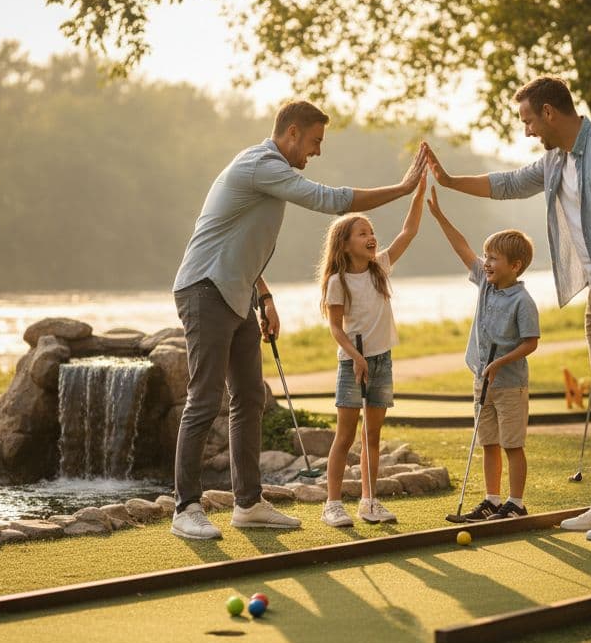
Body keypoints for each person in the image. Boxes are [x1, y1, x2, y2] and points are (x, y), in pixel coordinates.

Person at [426, 76, 591, 542]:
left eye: (528, 120)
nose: (527, 131)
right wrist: (450, 180)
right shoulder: (557, 159)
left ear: (549, 112)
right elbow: (508, 184)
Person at [170, 100, 427, 540]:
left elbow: (238, 242)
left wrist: (264, 295)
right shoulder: (261, 165)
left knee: (249, 397)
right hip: (205, 290)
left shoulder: (268, 175)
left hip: (237, 293)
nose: (317, 151)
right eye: (314, 141)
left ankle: (248, 504)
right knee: (205, 398)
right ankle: (186, 507)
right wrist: (402, 189)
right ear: (292, 132)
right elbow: (331, 200)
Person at [317, 171, 428, 527]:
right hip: (353, 363)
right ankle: (333, 504)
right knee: (346, 435)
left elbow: (408, 232)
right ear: (344, 244)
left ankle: (369, 502)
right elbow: (336, 327)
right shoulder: (337, 282)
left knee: (372, 435)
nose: (371, 237)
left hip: (381, 360)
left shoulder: (379, 267)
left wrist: (418, 193)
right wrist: (356, 357)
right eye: (362, 233)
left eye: (371, 231)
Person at [427, 187, 540, 521]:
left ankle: (516, 503)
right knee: (489, 442)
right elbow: (462, 247)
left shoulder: (523, 301)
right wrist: (439, 216)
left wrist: (500, 362)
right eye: (486, 257)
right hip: (482, 381)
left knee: (512, 444)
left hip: (509, 385)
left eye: (493, 258)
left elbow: (530, 343)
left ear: (515, 266)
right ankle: (492, 500)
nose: (486, 262)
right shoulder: (485, 283)